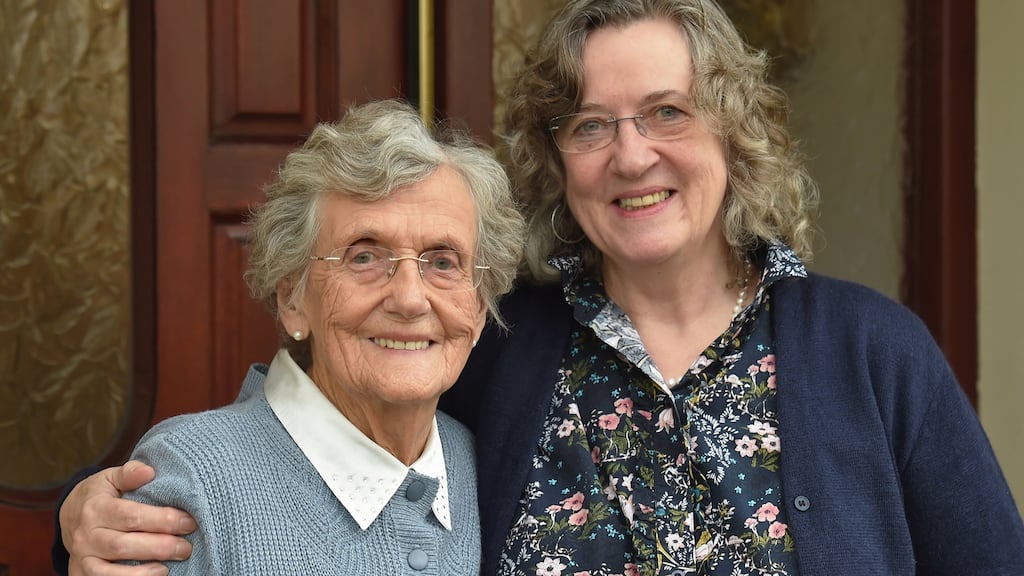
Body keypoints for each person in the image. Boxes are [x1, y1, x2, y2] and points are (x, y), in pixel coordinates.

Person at [53, 0, 1024, 575]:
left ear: (734, 132)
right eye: (590, 123)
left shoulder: (871, 350)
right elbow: (328, 446)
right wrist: (94, 519)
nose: (630, 153)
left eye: (666, 112)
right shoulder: (502, 348)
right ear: (555, 155)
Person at [53, 98, 525, 575]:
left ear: (480, 306)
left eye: (443, 262)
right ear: (293, 298)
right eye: (364, 257)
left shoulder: (479, 463)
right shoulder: (191, 479)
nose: (409, 298)